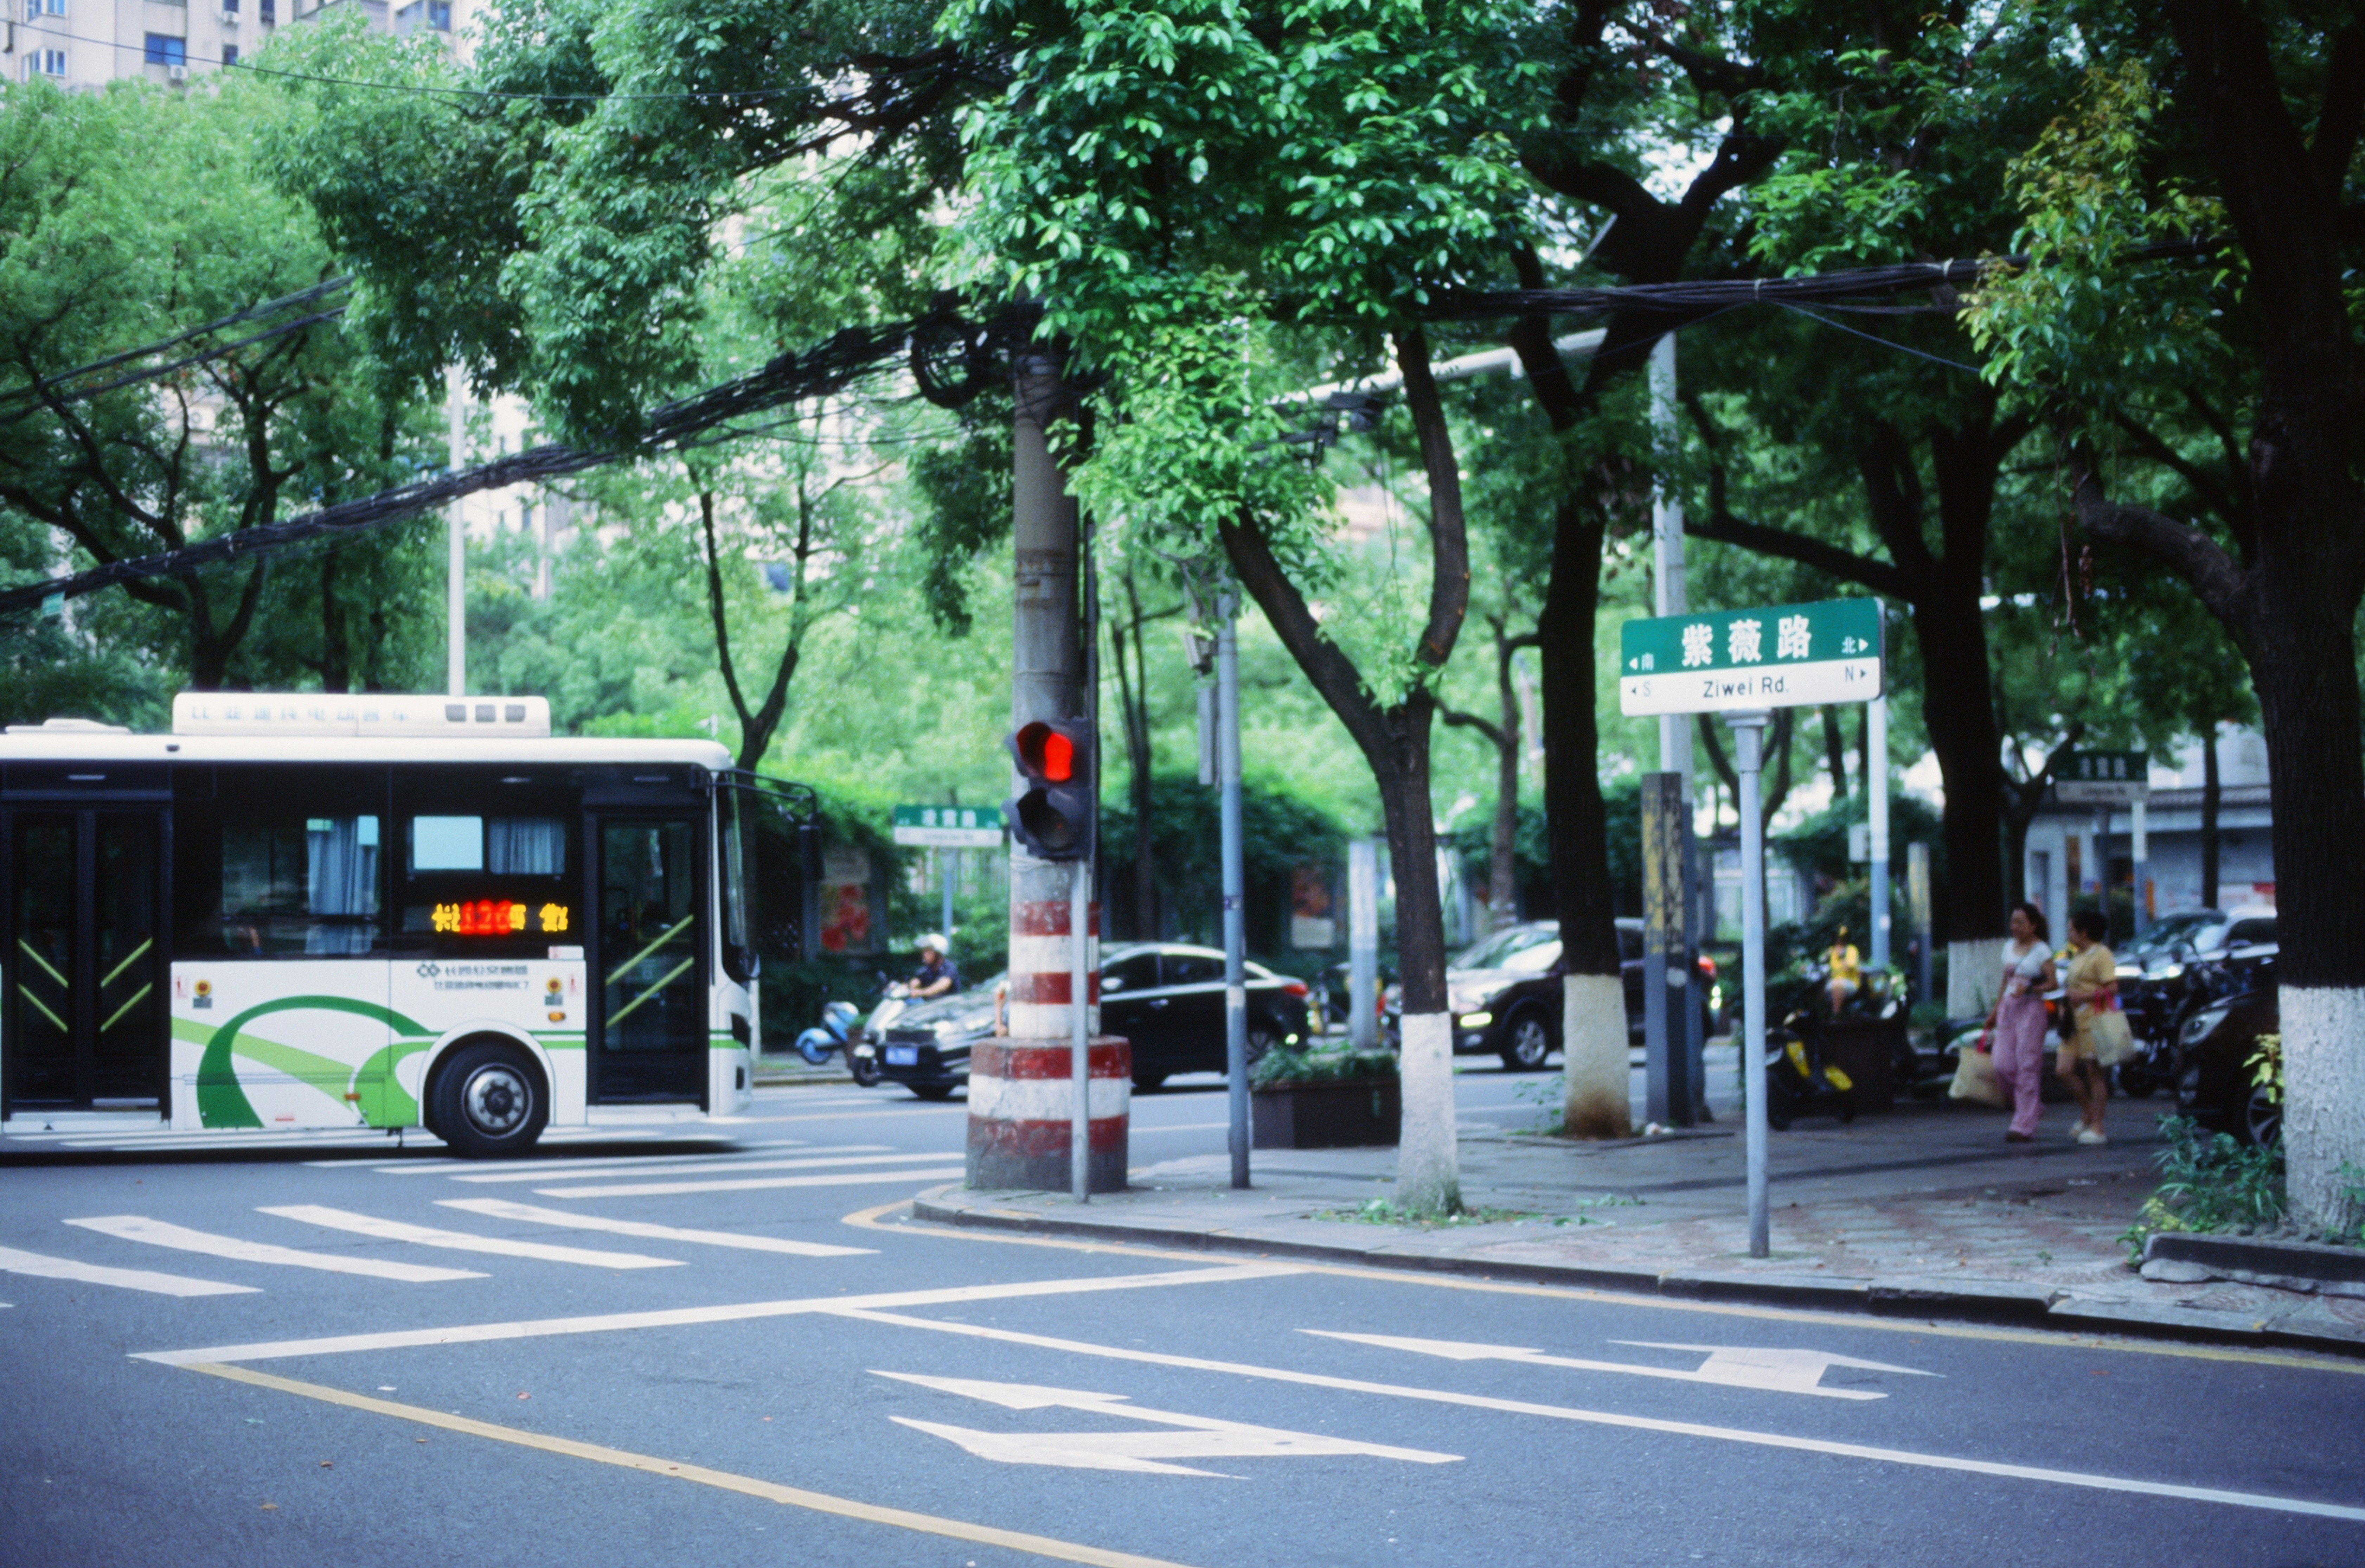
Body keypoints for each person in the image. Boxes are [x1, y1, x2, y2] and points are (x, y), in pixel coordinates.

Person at [1982, 902, 2056, 1144]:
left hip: (2031, 1011)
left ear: (2033, 925)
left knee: (2027, 1065)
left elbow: (2054, 983)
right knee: (2002, 1064)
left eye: (2021, 922)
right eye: (2013, 921)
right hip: (2008, 1009)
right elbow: (2004, 983)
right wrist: (1994, 1012)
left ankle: (2023, 1125)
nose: (2015, 927)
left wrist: (2032, 988)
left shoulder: (2042, 950)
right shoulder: (2008, 948)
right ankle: (2031, 1105)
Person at [2060, 909, 2117, 1144]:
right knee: (2063, 1070)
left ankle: (2098, 1126)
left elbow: (2112, 988)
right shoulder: (2078, 955)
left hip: (2094, 1019)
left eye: (2072, 929)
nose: (2069, 934)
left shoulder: (2101, 954)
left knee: (2095, 1072)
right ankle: (2089, 1113)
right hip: (2074, 1022)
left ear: (2083, 932)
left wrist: (2084, 996)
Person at [1825, 926, 1862, 1018]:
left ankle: (1836, 1014)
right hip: (1834, 981)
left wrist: (1841, 956)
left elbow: (1849, 967)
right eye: (1837, 939)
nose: (1839, 942)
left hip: (1851, 983)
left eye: (1842, 939)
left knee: (1838, 985)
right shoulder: (1832, 951)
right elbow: (1823, 962)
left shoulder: (1851, 950)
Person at [908, 934, 960, 1000]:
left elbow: (942, 985)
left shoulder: (949, 968)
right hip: (931, 1008)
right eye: (924, 951)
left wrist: (920, 992)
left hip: (949, 1008)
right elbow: (915, 982)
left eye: (928, 951)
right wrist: (901, 988)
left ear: (938, 953)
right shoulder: (927, 970)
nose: (924, 955)